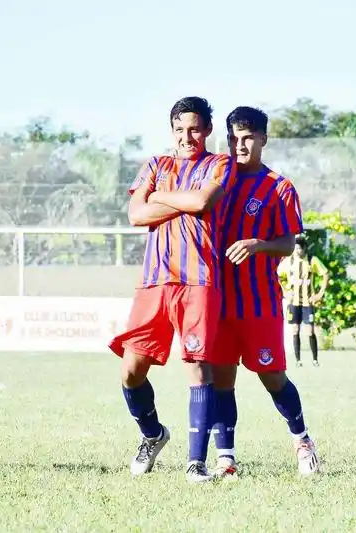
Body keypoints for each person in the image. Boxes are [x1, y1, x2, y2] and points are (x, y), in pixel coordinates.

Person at [108, 96, 238, 482]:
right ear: (171, 132)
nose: (187, 136)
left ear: (208, 130)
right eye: (180, 130)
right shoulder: (155, 164)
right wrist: (179, 201)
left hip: (198, 280)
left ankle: (195, 464)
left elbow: (202, 201)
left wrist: (159, 196)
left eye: (195, 128)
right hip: (154, 281)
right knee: (131, 371)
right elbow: (136, 214)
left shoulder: (219, 164)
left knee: (199, 370)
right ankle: (153, 434)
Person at [210, 106, 320, 478]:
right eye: (233, 138)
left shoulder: (279, 187)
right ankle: (225, 457)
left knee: (272, 377)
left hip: (260, 303)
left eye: (248, 138)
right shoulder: (215, 180)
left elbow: (288, 243)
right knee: (221, 380)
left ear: (263, 139)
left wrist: (257, 244)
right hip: (220, 301)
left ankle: (302, 439)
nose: (240, 145)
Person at [278, 235, 329, 366]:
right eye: (295, 249)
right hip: (293, 302)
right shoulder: (288, 262)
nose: (297, 251)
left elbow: (325, 274)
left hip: (308, 302)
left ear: (305, 248)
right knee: (295, 330)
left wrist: (320, 294)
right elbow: (277, 276)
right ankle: (298, 360)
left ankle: (315, 359)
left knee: (310, 331)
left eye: (299, 249)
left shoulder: (312, 260)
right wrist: (285, 291)